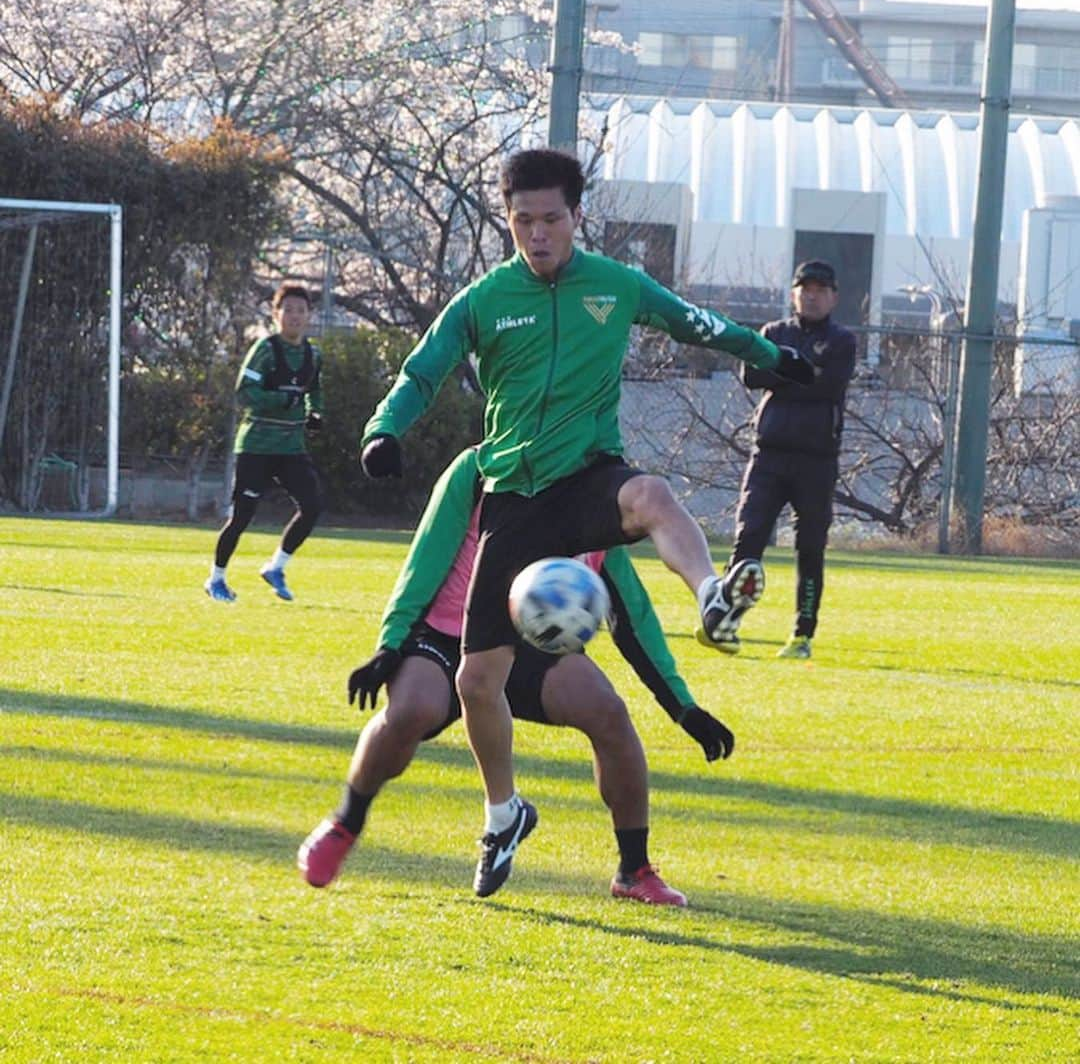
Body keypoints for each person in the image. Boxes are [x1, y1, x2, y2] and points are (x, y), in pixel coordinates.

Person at [359, 148, 814, 897]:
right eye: (522, 222)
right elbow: (422, 370)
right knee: (478, 683)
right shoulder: (483, 300)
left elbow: (697, 324)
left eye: (552, 219)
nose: (537, 235)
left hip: (588, 476)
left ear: (577, 217)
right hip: (515, 498)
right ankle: (503, 812)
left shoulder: (617, 285)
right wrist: (385, 430)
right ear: (508, 221)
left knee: (652, 496)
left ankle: (709, 596)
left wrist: (770, 354)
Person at [298, 447, 736, 904]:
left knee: (608, 712)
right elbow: (424, 558)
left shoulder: (600, 495)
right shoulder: (478, 468)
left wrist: (682, 708)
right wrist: (389, 647)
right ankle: (345, 823)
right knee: (410, 709)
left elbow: (635, 619)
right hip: (446, 636)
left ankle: (634, 870)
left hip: (533, 650)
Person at [715, 259, 856, 659]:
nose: (811, 295)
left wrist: (785, 370)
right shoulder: (773, 333)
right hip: (769, 455)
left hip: (817, 460)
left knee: (810, 548)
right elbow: (753, 375)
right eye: (804, 288)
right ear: (794, 293)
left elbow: (827, 386)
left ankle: (802, 634)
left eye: (820, 289)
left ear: (833, 297)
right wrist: (802, 371)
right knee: (749, 538)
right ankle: (725, 620)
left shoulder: (842, 340)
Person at [205, 282, 324, 603]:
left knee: (312, 506)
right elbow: (245, 392)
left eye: (301, 310)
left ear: (309, 315)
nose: (295, 316)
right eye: (289, 310)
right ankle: (216, 578)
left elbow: (315, 391)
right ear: (276, 314)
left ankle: (276, 566)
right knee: (242, 516)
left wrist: (315, 414)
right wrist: (279, 400)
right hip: (257, 445)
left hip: (291, 448)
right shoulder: (265, 350)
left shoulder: (313, 354)